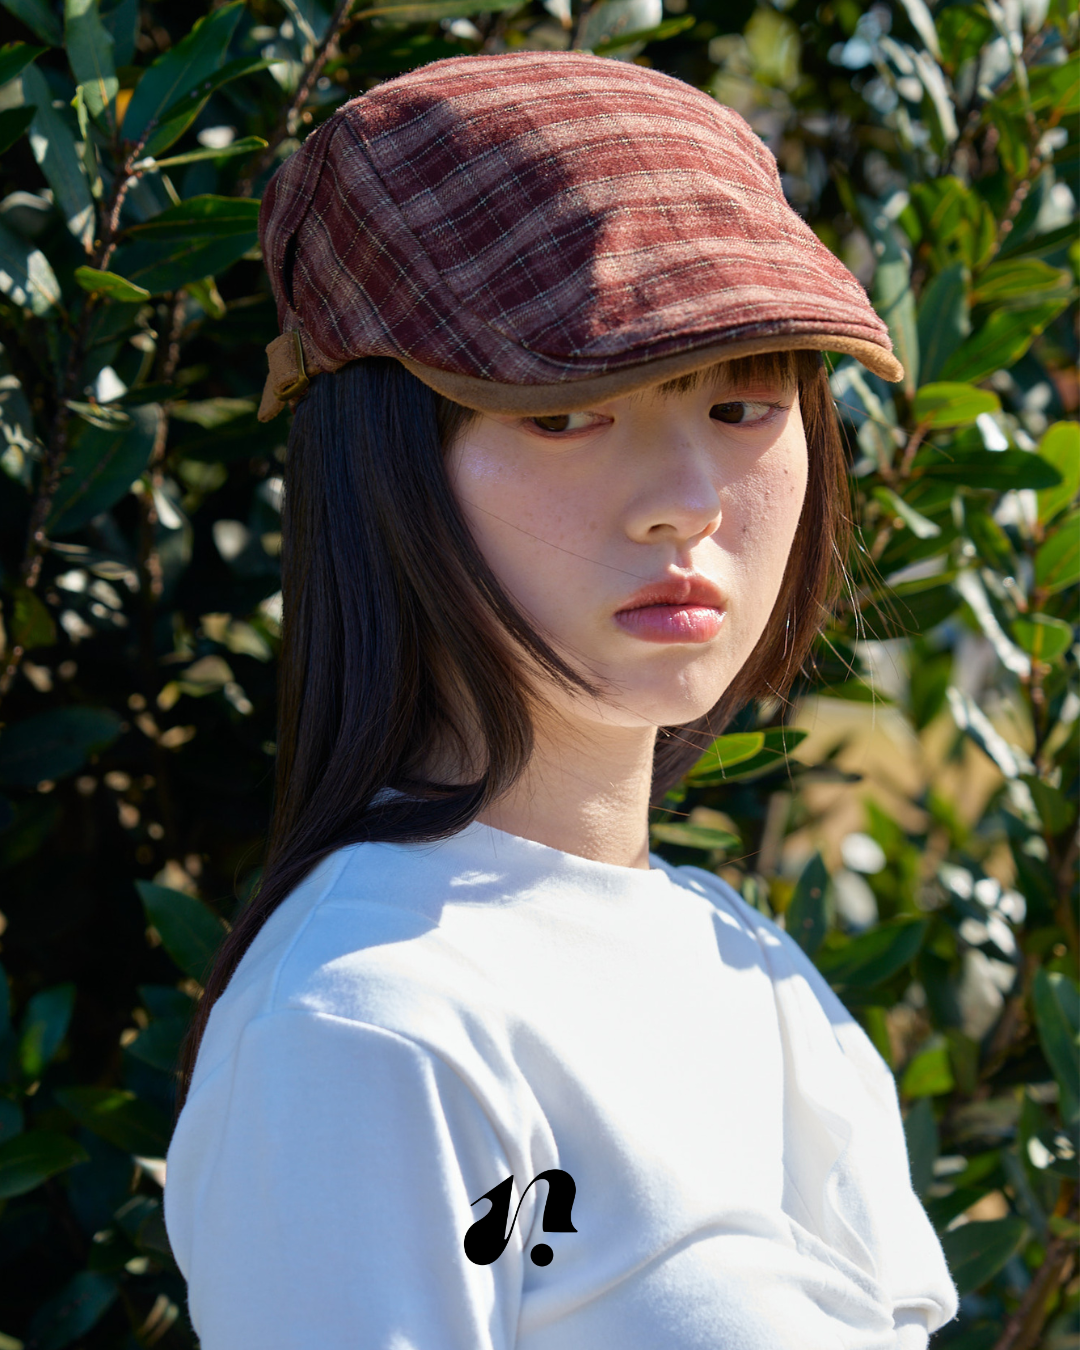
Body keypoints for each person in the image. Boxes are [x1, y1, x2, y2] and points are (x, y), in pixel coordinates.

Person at [163, 50, 958, 1349]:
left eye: (743, 402)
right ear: (384, 460)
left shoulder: (752, 968)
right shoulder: (370, 1024)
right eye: (566, 415)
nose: (685, 501)